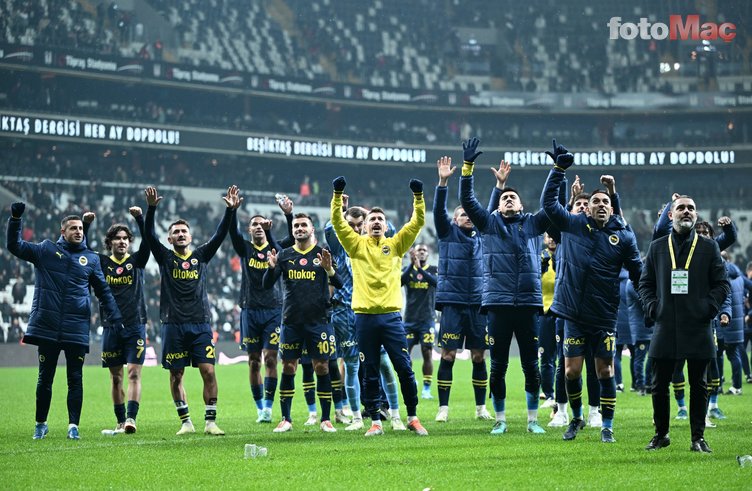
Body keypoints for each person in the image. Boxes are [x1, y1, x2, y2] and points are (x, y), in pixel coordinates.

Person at [542, 142, 642, 443]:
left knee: (605, 371)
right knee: (571, 372)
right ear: (588, 207)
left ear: (612, 208)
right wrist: (558, 170)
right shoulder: (574, 225)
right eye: (595, 201)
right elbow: (549, 205)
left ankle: (607, 425)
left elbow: (638, 273)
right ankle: (576, 418)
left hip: (603, 316)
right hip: (573, 313)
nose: (599, 205)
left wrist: (651, 302)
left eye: (605, 202)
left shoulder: (623, 237)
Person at [7, 203, 123, 440]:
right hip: (47, 326)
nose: (78, 231)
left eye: (81, 228)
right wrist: (16, 219)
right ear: (63, 231)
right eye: (73, 228)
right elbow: (15, 246)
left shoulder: (91, 259)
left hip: (76, 328)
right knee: (44, 379)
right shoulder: (46, 250)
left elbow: (103, 291)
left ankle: (73, 426)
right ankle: (41, 424)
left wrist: (116, 318)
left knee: (75, 379)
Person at [459, 137, 550, 435]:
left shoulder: (534, 224)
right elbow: (468, 202)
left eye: (513, 197)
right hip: (497, 304)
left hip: (528, 303)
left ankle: (533, 420)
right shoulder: (488, 225)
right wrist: (467, 167)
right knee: (498, 366)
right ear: (498, 204)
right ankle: (500, 420)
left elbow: (552, 205)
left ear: (522, 205)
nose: (509, 199)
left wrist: (558, 173)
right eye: (504, 197)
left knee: (530, 365)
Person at [330, 175, 429, 437]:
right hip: (364, 319)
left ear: (386, 226)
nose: (376, 222)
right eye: (372, 219)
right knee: (370, 372)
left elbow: (417, 222)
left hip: (391, 318)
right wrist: (337, 195)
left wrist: (418, 197)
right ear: (364, 227)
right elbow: (338, 222)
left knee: (404, 369)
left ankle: (413, 417)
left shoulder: (396, 245)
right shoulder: (355, 246)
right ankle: (375, 421)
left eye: (380, 219)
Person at [144, 185, 239, 436]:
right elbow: (149, 236)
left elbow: (219, 235)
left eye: (184, 231)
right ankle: (185, 421)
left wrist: (230, 211)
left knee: (208, 371)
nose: (180, 234)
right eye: (176, 232)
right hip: (173, 324)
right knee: (176, 375)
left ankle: (210, 422)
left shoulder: (201, 256)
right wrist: (151, 209)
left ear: (190, 236)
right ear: (170, 239)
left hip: (200, 323)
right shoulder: (166, 258)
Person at [639, 196, 730, 453]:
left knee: (699, 385)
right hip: (665, 324)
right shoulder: (657, 247)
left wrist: (707, 308)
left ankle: (697, 438)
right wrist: (653, 307)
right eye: (681, 208)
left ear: (696, 214)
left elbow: (721, 284)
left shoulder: (708, 247)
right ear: (671, 215)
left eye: (691, 208)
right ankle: (661, 435)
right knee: (658, 385)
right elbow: (645, 284)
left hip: (698, 325)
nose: (686, 211)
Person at [262, 213, 343, 433]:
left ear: (311, 229)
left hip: (319, 321)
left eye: (303, 225)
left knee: (322, 367)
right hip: (291, 322)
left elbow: (339, 283)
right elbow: (267, 284)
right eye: (296, 226)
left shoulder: (322, 254)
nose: (299, 228)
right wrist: (271, 268)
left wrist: (329, 269)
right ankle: (286, 419)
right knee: (289, 367)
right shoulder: (284, 255)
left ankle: (325, 419)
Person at [433, 155, 492, 422]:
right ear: (454, 220)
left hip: (479, 304)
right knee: (448, 355)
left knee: (479, 356)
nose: (468, 217)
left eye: (470, 214)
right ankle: (443, 409)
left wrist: (499, 187)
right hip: (453, 303)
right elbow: (438, 211)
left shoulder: (483, 237)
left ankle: (481, 408)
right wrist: (443, 183)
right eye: (462, 214)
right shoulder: (447, 233)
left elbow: (488, 213)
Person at [82, 207, 150, 434]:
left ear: (129, 242)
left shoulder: (137, 261)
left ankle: (131, 419)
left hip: (135, 325)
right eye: (117, 238)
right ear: (109, 242)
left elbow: (148, 242)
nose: (122, 242)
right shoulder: (101, 263)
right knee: (115, 378)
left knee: (134, 373)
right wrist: (86, 225)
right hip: (111, 326)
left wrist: (140, 219)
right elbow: (83, 252)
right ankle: (120, 421)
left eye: (125, 239)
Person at [228, 198, 294, 424]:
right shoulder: (245, 248)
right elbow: (232, 232)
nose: (258, 226)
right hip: (250, 310)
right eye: (254, 224)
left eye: (261, 223)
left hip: (273, 310)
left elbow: (293, 239)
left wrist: (288, 215)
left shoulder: (276, 247)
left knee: (271, 359)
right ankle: (259, 408)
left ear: (267, 226)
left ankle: (268, 406)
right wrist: (232, 211)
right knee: (254, 361)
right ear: (249, 230)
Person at [402, 243, 438, 400]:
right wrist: (412, 266)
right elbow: (399, 282)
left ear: (428, 254)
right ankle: (412, 380)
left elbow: (436, 283)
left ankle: (426, 389)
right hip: (409, 320)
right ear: (414, 254)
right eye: (419, 250)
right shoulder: (408, 270)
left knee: (427, 352)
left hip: (427, 320)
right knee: (405, 354)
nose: (422, 252)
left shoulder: (433, 269)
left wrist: (420, 269)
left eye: (424, 250)